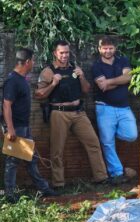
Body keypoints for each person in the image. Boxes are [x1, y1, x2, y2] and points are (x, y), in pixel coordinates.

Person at [35, 40, 108, 187]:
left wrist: (81, 77)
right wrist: (53, 84)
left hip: (78, 112)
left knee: (93, 143)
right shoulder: (48, 71)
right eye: (61, 52)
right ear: (55, 53)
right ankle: (58, 183)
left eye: (67, 52)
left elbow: (86, 90)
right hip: (59, 113)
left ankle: (101, 177)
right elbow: (38, 94)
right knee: (57, 150)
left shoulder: (75, 68)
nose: (64, 55)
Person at [2, 47, 58, 203]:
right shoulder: (13, 81)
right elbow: (6, 105)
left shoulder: (21, 79)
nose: (34, 63)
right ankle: (10, 195)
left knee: (31, 159)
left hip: (23, 127)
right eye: (33, 60)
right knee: (12, 161)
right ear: (27, 62)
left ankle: (43, 189)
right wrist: (10, 129)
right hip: (16, 128)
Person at [92, 36, 138, 183]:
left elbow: (129, 78)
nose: (108, 51)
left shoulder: (122, 60)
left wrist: (110, 81)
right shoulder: (96, 66)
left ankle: (111, 134)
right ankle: (117, 173)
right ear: (99, 49)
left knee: (132, 135)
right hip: (104, 108)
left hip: (124, 107)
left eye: (110, 48)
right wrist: (121, 80)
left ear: (115, 48)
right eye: (104, 48)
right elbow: (102, 86)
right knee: (107, 142)